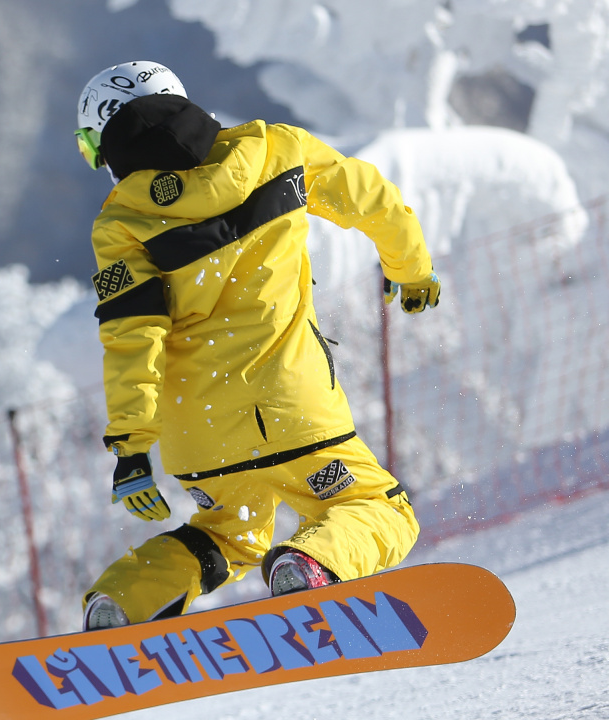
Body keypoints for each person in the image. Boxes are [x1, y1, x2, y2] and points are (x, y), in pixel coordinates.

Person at [73, 61, 441, 631]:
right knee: (379, 507)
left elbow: (130, 335)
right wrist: (412, 271)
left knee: (228, 534)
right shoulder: (277, 150)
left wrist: (131, 447)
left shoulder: (120, 222)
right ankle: (310, 568)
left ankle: (124, 602)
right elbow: (373, 199)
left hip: (200, 436)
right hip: (293, 412)